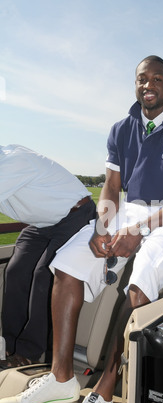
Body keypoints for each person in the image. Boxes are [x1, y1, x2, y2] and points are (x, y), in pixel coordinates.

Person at [0, 56, 163, 403]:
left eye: (157, 79)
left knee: (138, 286)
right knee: (66, 264)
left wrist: (141, 229)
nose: (149, 85)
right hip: (127, 210)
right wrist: (101, 226)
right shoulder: (121, 128)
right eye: (142, 79)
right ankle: (62, 378)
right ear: (135, 84)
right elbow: (112, 186)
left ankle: (102, 395)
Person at [0, 145, 96, 367]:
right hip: (42, 223)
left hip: (74, 214)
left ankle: (28, 353)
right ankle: (9, 348)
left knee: (45, 275)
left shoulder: (14, 161)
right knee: (15, 271)